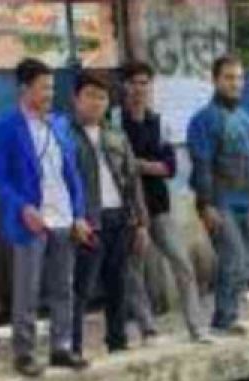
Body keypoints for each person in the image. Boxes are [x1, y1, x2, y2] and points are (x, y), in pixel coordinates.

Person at [0, 58, 92, 378]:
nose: (50, 93)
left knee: (64, 287)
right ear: (24, 88)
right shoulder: (5, 128)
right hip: (30, 221)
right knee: (27, 290)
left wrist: (79, 214)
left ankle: (61, 347)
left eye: (52, 87)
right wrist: (22, 208)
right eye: (44, 87)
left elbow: (72, 173)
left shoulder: (58, 125)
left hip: (63, 219)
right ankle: (24, 353)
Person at [119, 60, 210, 343]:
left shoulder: (160, 123)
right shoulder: (114, 122)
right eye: (134, 82)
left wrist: (139, 164)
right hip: (128, 210)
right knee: (133, 271)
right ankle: (148, 329)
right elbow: (118, 167)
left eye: (144, 83)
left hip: (159, 206)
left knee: (182, 263)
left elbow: (170, 168)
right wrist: (149, 165)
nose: (139, 88)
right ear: (124, 87)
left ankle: (197, 326)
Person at [64, 71, 150, 358]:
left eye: (102, 97)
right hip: (87, 221)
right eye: (90, 96)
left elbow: (132, 179)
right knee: (81, 288)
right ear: (76, 99)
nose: (96, 103)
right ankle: (73, 347)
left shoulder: (116, 134)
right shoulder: (64, 135)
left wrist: (140, 223)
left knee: (119, 284)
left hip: (118, 218)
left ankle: (117, 341)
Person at [188, 54, 249, 336]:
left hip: (245, 201)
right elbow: (202, 165)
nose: (236, 83)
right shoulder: (203, 120)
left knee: (242, 264)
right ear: (215, 80)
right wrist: (206, 204)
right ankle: (223, 320)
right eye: (229, 78)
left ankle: (229, 315)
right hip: (220, 203)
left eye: (239, 78)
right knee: (232, 258)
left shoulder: (245, 118)